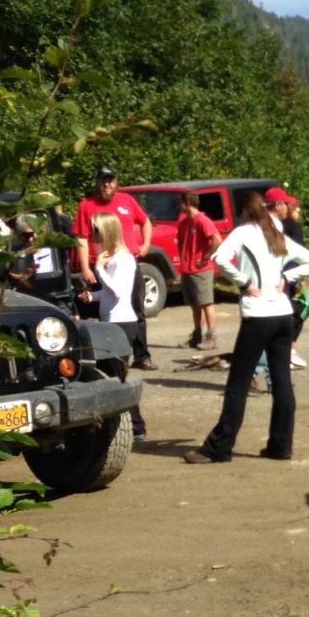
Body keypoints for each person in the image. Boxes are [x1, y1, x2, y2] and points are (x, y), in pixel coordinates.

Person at [184, 192, 309, 464]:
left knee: (238, 383)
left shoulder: (244, 232)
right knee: (282, 381)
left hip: (257, 316)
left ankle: (218, 448)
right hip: (283, 315)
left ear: (244, 212)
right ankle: (281, 446)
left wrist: (244, 283)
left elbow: (220, 257)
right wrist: (287, 276)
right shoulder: (276, 230)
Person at [73, 167, 155, 369]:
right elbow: (81, 238)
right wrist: (87, 267)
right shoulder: (87, 205)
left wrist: (145, 245)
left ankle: (141, 355)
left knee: (136, 309)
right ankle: (109, 354)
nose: (106, 184)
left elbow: (145, 222)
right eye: (103, 180)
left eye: (110, 180)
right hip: (101, 263)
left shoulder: (127, 200)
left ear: (116, 182)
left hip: (127, 261)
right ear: (97, 182)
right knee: (101, 306)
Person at [78, 212, 148, 442]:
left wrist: (98, 269)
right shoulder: (113, 258)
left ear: (106, 232)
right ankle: (122, 424)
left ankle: (136, 427)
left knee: (118, 377)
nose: (93, 237)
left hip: (122, 323)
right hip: (113, 321)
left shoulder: (123, 259)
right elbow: (110, 293)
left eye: (96, 232)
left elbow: (118, 292)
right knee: (111, 375)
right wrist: (93, 296)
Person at [264, 187, 309, 371]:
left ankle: (286, 350)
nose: (291, 207)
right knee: (302, 307)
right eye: (289, 204)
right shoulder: (291, 225)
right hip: (289, 277)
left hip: (279, 276)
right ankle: (288, 349)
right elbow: (300, 252)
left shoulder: (266, 223)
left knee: (291, 310)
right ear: (279, 205)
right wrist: (301, 275)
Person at [175, 190, 222, 350]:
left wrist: (206, 256)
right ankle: (197, 335)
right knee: (194, 305)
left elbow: (217, 240)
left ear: (187, 203)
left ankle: (212, 336)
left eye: (179, 202)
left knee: (206, 303)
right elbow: (182, 244)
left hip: (201, 270)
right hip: (187, 270)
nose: (177, 205)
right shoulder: (184, 222)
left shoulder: (202, 220)